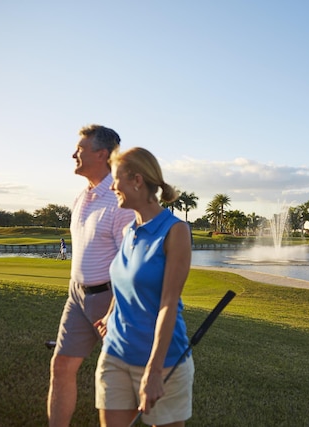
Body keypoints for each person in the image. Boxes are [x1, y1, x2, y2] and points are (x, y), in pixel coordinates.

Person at [95, 147, 194, 427]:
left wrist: (154, 370)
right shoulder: (129, 230)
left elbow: (168, 302)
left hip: (161, 364)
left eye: (116, 179)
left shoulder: (175, 231)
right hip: (114, 354)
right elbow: (125, 280)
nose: (112, 186)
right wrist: (110, 314)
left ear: (137, 180)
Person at [47, 125, 135, 427]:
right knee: (61, 366)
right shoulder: (82, 196)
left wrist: (115, 310)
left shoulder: (120, 199)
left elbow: (132, 262)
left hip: (110, 299)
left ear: (101, 154)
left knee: (121, 379)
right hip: (77, 295)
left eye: (80, 150)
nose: (74, 154)